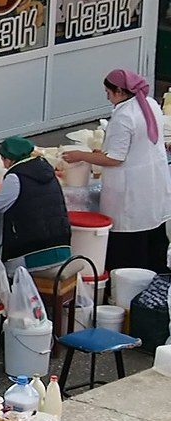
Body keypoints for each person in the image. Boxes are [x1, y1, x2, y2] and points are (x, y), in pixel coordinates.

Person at [62, 69, 171, 273]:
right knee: (152, 238)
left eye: (108, 92)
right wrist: (101, 152)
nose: (107, 97)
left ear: (120, 91)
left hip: (131, 189)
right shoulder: (150, 104)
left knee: (129, 245)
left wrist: (81, 155)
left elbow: (114, 158)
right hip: (152, 182)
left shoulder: (124, 116)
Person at [0, 136, 71, 275]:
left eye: (3, 159)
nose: (3, 164)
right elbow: (29, 196)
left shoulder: (15, 176)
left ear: (9, 159)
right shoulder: (44, 169)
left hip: (34, 251)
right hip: (61, 244)